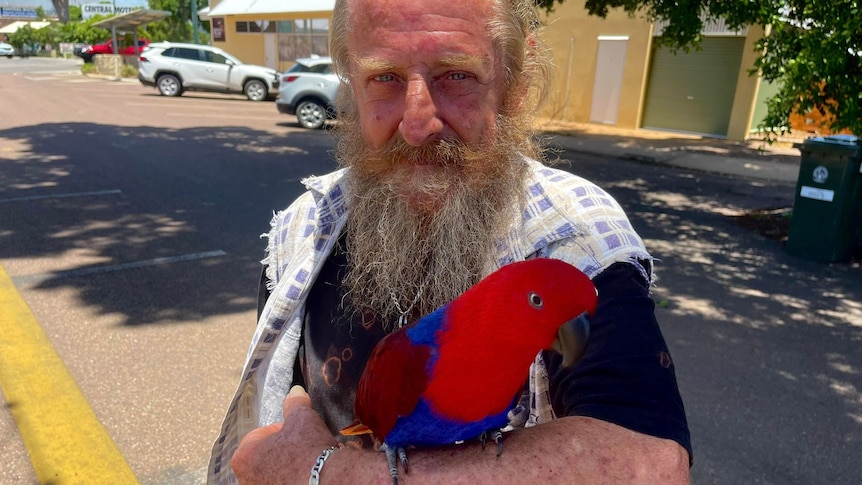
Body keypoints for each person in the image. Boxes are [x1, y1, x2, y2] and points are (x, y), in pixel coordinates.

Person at [207, 0, 692, 483]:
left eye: (456, 75)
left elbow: (650, 467)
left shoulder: (577, 236)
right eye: (385, 77)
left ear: (514, 85)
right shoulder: (303, 231)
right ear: (353, 85)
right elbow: (285, 415)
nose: (418, 126)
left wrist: (320, 474)